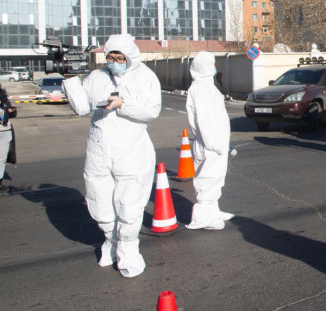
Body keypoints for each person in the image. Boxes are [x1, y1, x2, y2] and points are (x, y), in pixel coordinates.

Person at [63, 34, 161, 278]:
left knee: (128, 204)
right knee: (99, 200)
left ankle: (128, 250)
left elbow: (152, 110)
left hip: (131, 148)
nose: (115, 61)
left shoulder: (145, 77)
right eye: (111, 57)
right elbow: (82, 108)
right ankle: (112, 241)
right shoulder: (97, 77)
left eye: (120, 58)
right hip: (98, 148)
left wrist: (122, 104)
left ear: (130, 57)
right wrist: (70, 80)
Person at [185, 51, 236, 230]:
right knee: (207, 178)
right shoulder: (200, 88)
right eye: (212, 65)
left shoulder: (206, 86)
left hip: (215, 142)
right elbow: (205, 119)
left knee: (216, 178)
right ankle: (201, 217)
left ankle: (213, 210)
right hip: (210, 144)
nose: (215, 68)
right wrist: (214, 143)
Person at [0, 82, 18, 191]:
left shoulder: (3, 97)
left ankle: (0, 180)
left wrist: (12, 111)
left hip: (5, 130)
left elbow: (12, 113)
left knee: (2, 159)